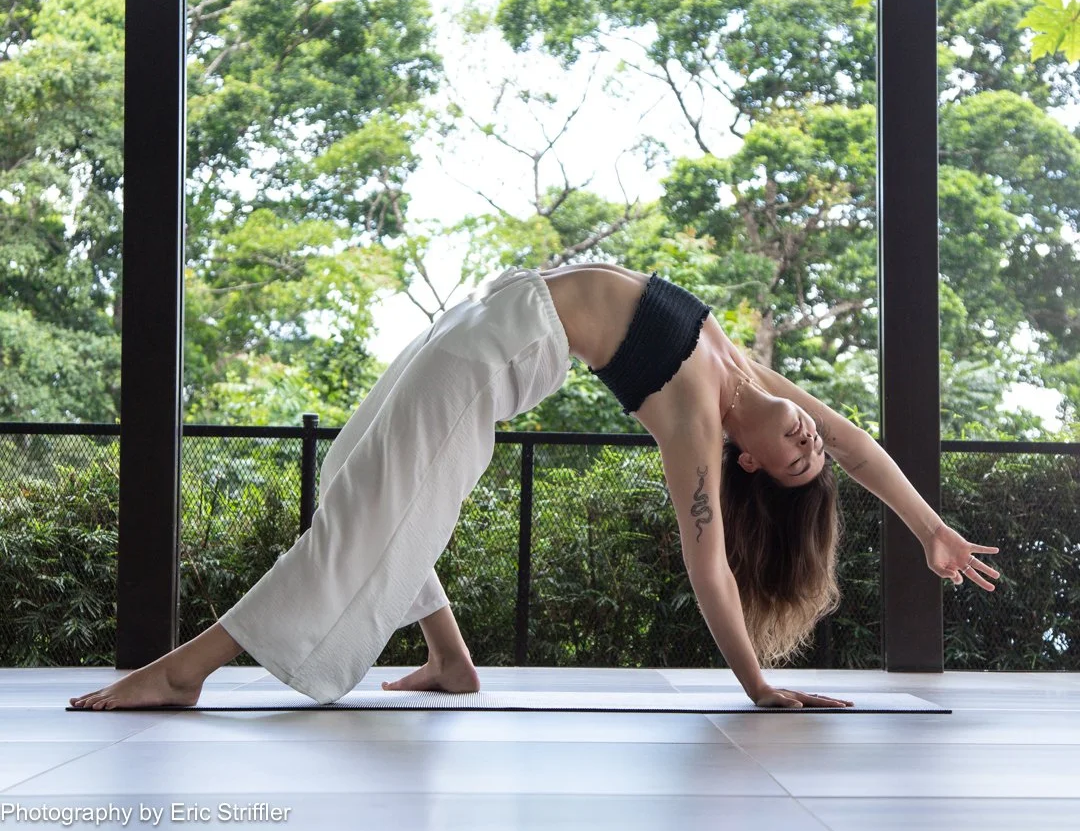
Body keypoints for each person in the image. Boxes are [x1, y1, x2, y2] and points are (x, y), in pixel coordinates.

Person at [70, 263, 999, 713]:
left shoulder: (695, 420)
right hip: (485, 309)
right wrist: (930, 527)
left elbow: (708, 564)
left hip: (489, 358)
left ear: (747, 462)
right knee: (348, 464)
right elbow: (858, 442)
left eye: (800, 456)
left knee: (359, 525)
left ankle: (184, 670)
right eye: (810, 444)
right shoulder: (750, 379)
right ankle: (450, 657)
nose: (810, 439)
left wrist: (755, 684)